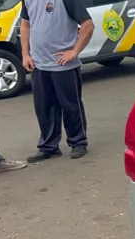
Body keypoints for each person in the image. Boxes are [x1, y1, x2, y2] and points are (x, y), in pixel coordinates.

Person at [19, 0, 94, 162]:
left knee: (71, 105)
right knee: (44, 108)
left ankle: (78, 142)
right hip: (38, 64)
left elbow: (88, 25)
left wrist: (75, 51)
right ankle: (49, 147)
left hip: (63, 64)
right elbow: (25, 25)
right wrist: (25, 54)